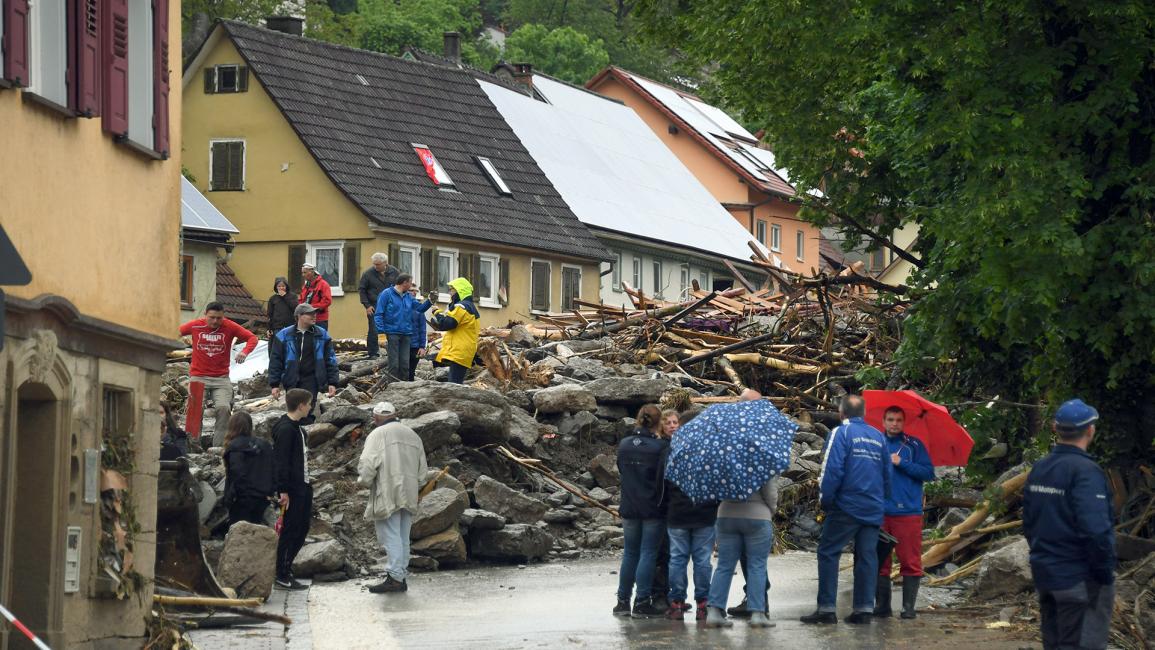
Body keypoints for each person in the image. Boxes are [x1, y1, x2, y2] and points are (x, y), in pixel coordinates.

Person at [1023, 399, 1115, 650]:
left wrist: (1042, 556)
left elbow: (1029, 522)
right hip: (1079, 579)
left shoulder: (1040, 468)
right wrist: (1104, 574)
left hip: (1046, 574)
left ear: (1055, 428)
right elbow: (1096, 530)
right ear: (1090, 430)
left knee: (1054, 643)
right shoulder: (1086, 471)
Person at [801, 394, 890, 625]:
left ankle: (827, 609)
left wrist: (826, 501)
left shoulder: (841, 433)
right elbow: (887, 476)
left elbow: (832, 470)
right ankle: (863, 609)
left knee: (828, 552)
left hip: (846, 506)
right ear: (864, 413)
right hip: (873, 507)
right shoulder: (879, 437)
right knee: (867, 557)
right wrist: (881, 503)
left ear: (841, 414)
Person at [357, 401, 428, 594]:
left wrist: (363, 481)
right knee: (403, 535)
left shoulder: (377, 434)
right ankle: (400, 574)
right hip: (410, 490)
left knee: (390, 535)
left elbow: (367, 464)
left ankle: (395, 577)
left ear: (376, 417)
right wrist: (419, 485)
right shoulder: (412, 434)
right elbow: (423, 470)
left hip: (387, 490)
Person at [874, 406, 934, 619]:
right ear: (883, 421)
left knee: (910, 561)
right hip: (879, 512)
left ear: (903, 422)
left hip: (908, 512)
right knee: (879, 561)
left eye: (899, 420)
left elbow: (928, 473)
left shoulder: (914, 445)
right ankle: (882, 607)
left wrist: (903, 463)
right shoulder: (876, 443)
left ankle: (908, 608)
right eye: (890, 419)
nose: (894, 423)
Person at [614, 405, 669, 619]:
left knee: (630, 553)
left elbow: (621, 468)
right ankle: (642, 600)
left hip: (629, 505)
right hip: (652, 508)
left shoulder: (625, 444)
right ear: (658, 423)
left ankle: (622, 601)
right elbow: (662, 480)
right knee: (648, 553)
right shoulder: (660, 447)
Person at [704, 473, 778, 629]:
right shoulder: (762, 458)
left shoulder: (721, 459)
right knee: (756, 565)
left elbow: (713, 490)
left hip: (726, 514)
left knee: (724, 566)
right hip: (757, 515)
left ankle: (714, 613)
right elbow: (770, 493)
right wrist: (770, 510)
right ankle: (757, 614)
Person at [179, 302, 258, 446]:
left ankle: (218, 447)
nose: (215, 321)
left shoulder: (230, 326)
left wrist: (244, 352)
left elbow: (252, 338)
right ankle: (193, 445)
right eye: (212, 317)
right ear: (205, 315)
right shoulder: (196, 325)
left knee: (224, 408)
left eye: (219, 318)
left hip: (220, 378)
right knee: (195, 409)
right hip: (198, 376)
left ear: (223, 317)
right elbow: (175, 331)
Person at [664, 410, 717, 621]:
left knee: (677, 559)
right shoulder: (709, 452)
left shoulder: (672, 450)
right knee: (703, 560)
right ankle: (703, 603)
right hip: (705, 513)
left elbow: (664, 483)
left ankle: (676, 602)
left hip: (677, 512)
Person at [727, 388, 772, 618]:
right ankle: (757, 599)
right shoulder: (738, 431)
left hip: (753, 508)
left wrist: (770, 508)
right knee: (749, 559)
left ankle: (758, 600)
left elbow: (770, 479)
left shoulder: (759, 431)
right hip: (740, 508)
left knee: (752, 559)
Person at [272, 388, 315, 590]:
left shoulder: (297, 428)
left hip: (302, 485)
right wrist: (283, 491)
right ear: (301, 405)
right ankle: (281, 572)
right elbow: (281, 462)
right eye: (309, 403)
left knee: (301, 528)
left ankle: (286, 569)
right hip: (292, 489)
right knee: (291, 530)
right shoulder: (286, 429)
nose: (311, 407)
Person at [268, 304, 339, 423]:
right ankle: (295, 436)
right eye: (310, 314)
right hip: (291, 379)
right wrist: (274, 384)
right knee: (294, 412)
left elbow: (330, 359)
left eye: (314, 313)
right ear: (299, 316)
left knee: (307, 411)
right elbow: (275, 360)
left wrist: (332, 382)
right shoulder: (283, 335)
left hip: (312, 379)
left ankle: (304, 437)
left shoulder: (322, 335)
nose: (314, 316)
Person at [222, 411, 275, 527]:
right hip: (262, 497)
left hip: (242, 499)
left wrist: (232, 497)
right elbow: (273, 469)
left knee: (240, 533)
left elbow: (237, 472)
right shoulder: (265, 444)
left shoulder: (234, 446)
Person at [430, 278, 480, 384]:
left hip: (459, 351)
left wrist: (437, 313)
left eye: (451, 289)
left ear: (459, 290)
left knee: (454, 385)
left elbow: (447, 324)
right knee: (455, 382)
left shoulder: (462, 307)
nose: (450, 292)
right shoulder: (470, 307)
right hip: (464, 350)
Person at [374, 274, 418, 382]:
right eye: (410, 283)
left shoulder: (408, 296)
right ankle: (392, 388)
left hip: (406, 334)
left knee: (405, 365)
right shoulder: (386, 294)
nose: (411, 287)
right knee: (394, 365)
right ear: (405, 283)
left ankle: (404, 388)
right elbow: (378, 314)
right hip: (392, 333)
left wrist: (430, 302)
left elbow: (420, 308)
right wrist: (381, 334)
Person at [358, 252, 399, 359]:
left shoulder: (394, 272)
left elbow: (400, 288)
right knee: (373, 329)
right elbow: (362, 290)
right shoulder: (368, 274)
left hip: (391, 307)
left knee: (392, 329)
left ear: (385, 263)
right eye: (374, 264)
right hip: (374, 306)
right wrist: (366, 305)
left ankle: (392, 351)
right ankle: (373, 353)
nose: (376, 267)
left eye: (378, 264)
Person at [407, 287, 434, 381]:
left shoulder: (418, 309)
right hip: (403, 344)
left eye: (416, 291)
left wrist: (422, 347)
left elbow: (423, 329)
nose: (414, 293)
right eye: (411, 290)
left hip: (415, 346)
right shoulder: (401, 306)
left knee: (411, 371)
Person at [299, 262, 333, 330]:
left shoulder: (323, 284)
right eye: (302, 273)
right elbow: (301, 299)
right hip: (306, 319)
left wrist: (310, 308)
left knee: (320, 339)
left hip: (320, 319)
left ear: (311, 272)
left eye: (305, 272)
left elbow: (327, 301)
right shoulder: (306, 286)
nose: (303, 275)